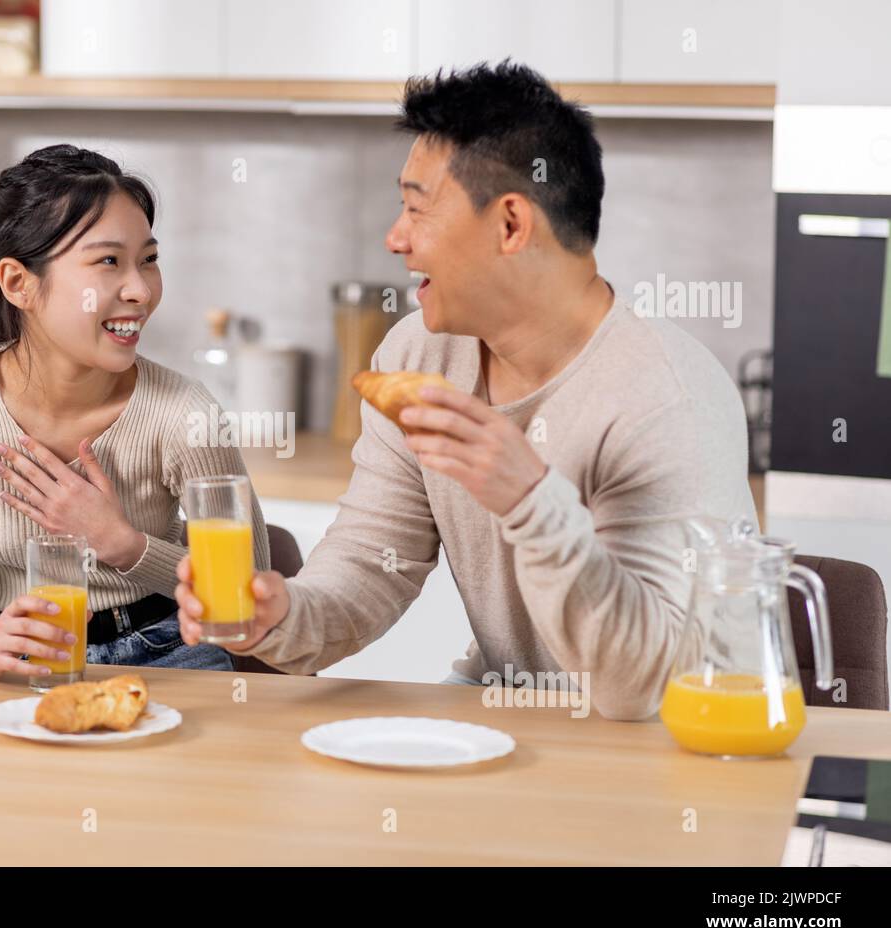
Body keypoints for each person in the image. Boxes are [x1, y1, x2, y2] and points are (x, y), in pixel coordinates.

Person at [174, 63, 754, 720]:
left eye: (417, 209)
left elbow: (639, 691)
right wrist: (279, 618)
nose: (395, 238)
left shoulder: (666, 399)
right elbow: (371, 565)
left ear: (511, 225)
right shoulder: (417, 355)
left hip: (682, 745)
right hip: (507, 717)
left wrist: (532, 501)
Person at [0, 145, 270, 680]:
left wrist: (124, 545)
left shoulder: (183, 412)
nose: (141, 290)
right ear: (18, 283)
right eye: (109, 261)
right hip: (21, 660)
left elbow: (250, 591)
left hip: (174, 656)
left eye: (149, 259)